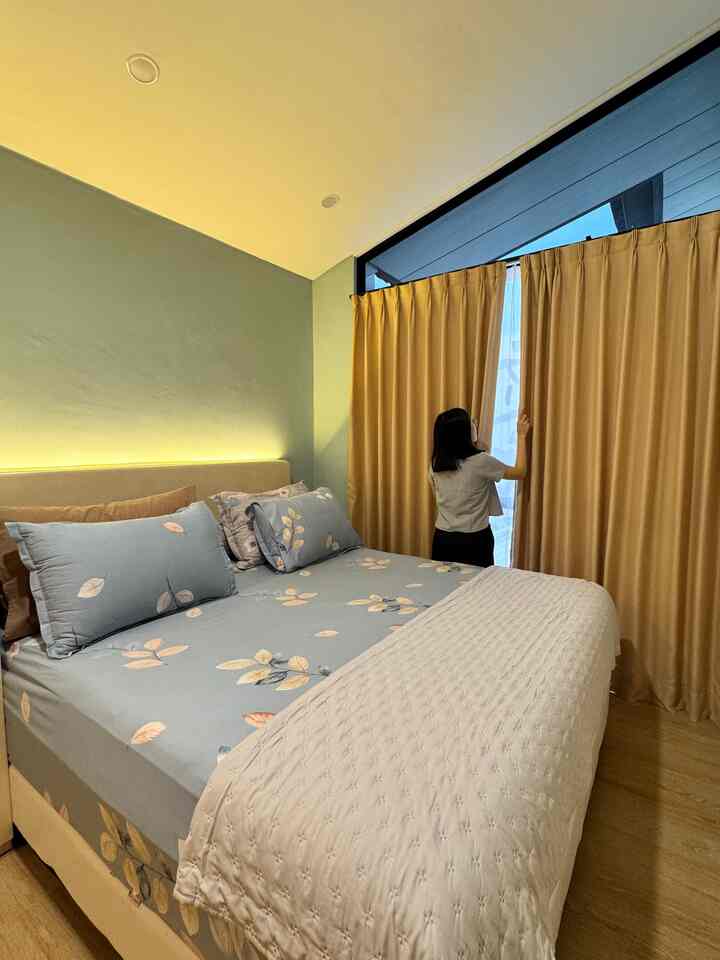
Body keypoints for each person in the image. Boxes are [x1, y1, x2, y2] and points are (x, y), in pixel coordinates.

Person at [429, 408, 531, 567]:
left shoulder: (436, 464)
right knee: (478, 587)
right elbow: (520, 472)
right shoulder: (482, 462)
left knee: (443, 587)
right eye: (471, 424)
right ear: (466, 433)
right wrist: (521, 436)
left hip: (443, 538)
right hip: (474, 540)